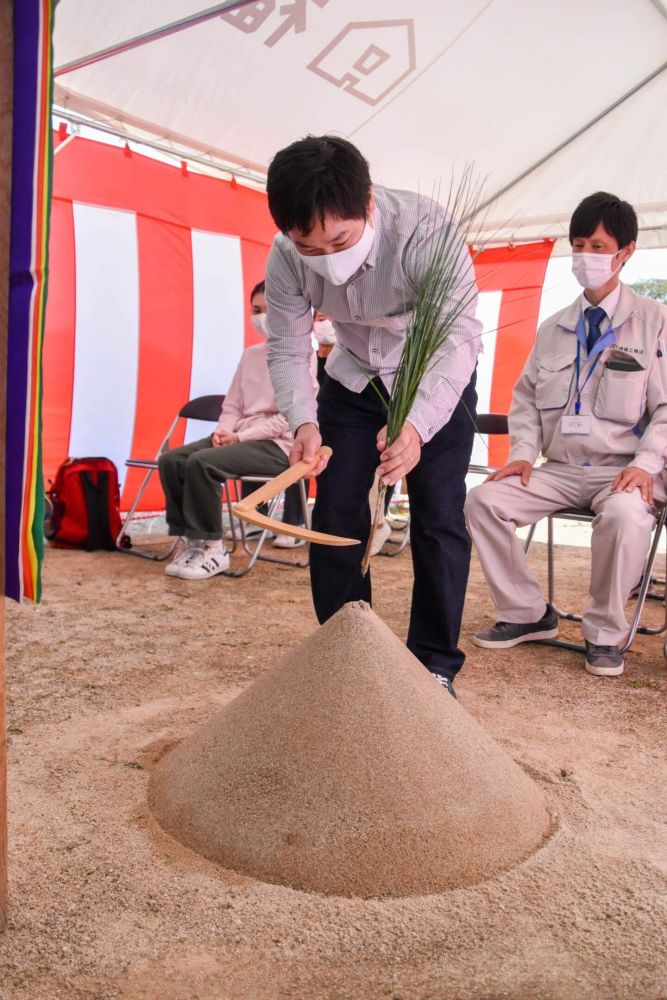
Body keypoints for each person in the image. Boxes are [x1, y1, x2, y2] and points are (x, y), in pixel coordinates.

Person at [264, 135, 482, 697]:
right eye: (309, 248)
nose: (327, 260)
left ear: (366, 204)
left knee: (437, 516)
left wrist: (415, 427)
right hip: (353, 378)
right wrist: (304, 424)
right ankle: (346, 652)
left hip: (432, 377)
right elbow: (288, 345)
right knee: (337, 513)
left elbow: (457, 338)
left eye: (339, 240)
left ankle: (433, 665)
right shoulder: (286, 255)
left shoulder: (425, 229)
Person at [465, 192, 667, 677]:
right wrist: (521, 453)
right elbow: (527, 399)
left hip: (621, 471)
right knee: (481, 501)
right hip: (557, 469)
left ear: (626, 252)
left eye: (598, 245)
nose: (585, 256)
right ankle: (528, 614)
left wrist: (646, 465)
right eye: (578, 244)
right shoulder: (555, 327)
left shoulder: (655, 321)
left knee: (624, 516)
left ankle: (605, 633)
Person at [158, 281, 307, 579]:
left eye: (269, 310)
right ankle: (194, 541)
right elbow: (232, 405)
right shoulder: (251, 355)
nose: (262, 316)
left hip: (278, 446)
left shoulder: (302, 355)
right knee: (171, 460)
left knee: (202, 463)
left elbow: (291, 417)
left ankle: (214, 547)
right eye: (256, 310)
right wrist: (223, 432)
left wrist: (239, 437)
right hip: (239, 437)